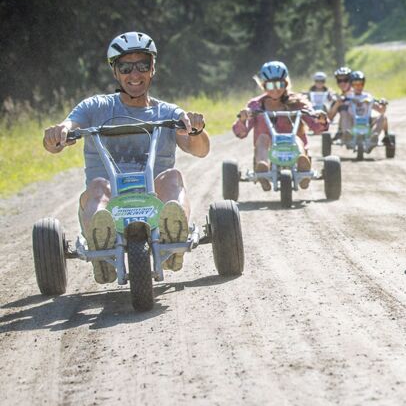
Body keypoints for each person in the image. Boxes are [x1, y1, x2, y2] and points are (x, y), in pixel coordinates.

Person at [43, 31, 210, 283]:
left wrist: (196, 129)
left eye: (143, 65)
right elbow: (63, 133)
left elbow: (200, 150)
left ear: (153, 68)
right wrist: (58, 133)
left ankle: (174, 236)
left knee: (173, 176)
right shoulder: (94, 107)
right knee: (99, 185)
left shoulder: (168, 112)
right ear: (115, 71)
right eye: (126, 67)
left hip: (155, 201)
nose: (135, 74)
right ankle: (102, 247)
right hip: (109, 201)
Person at [232, 61, 328, 190]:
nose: (276, 89)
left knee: (294, 138)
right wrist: (243, 120)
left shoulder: (298, 102)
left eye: (280, 84)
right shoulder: (256, 105)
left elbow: (316, 126)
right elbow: (241, 133)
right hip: (269, 152)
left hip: (294, 150)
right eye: (271, 85)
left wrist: (320, 119)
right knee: (262, 138)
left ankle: (302, 166)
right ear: (263, 85)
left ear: (286, 83)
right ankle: (263, 170)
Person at [345, 70, 391, 145]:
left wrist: (383, 104)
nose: (358, 86)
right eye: (355, 84)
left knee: (383, 117)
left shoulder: (368, 96)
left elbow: (381, 110)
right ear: (351, 85)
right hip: (352, 122)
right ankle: (347, 135)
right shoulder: (348, 96)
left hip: (367, 121)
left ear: (363, 84)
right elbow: (341, 108)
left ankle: (373, 137)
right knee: (344, 115)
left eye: (360, 84)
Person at [327, 66, 354, 138]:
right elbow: (329, 117)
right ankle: (346, 133)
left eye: (345, 80)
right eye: (339, 81)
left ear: (351, 81)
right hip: (345, 127)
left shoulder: (359, 94)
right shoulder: (338, 98)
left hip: (361, 124)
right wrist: (337, 104)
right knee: (344, 112)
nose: (342, 83)